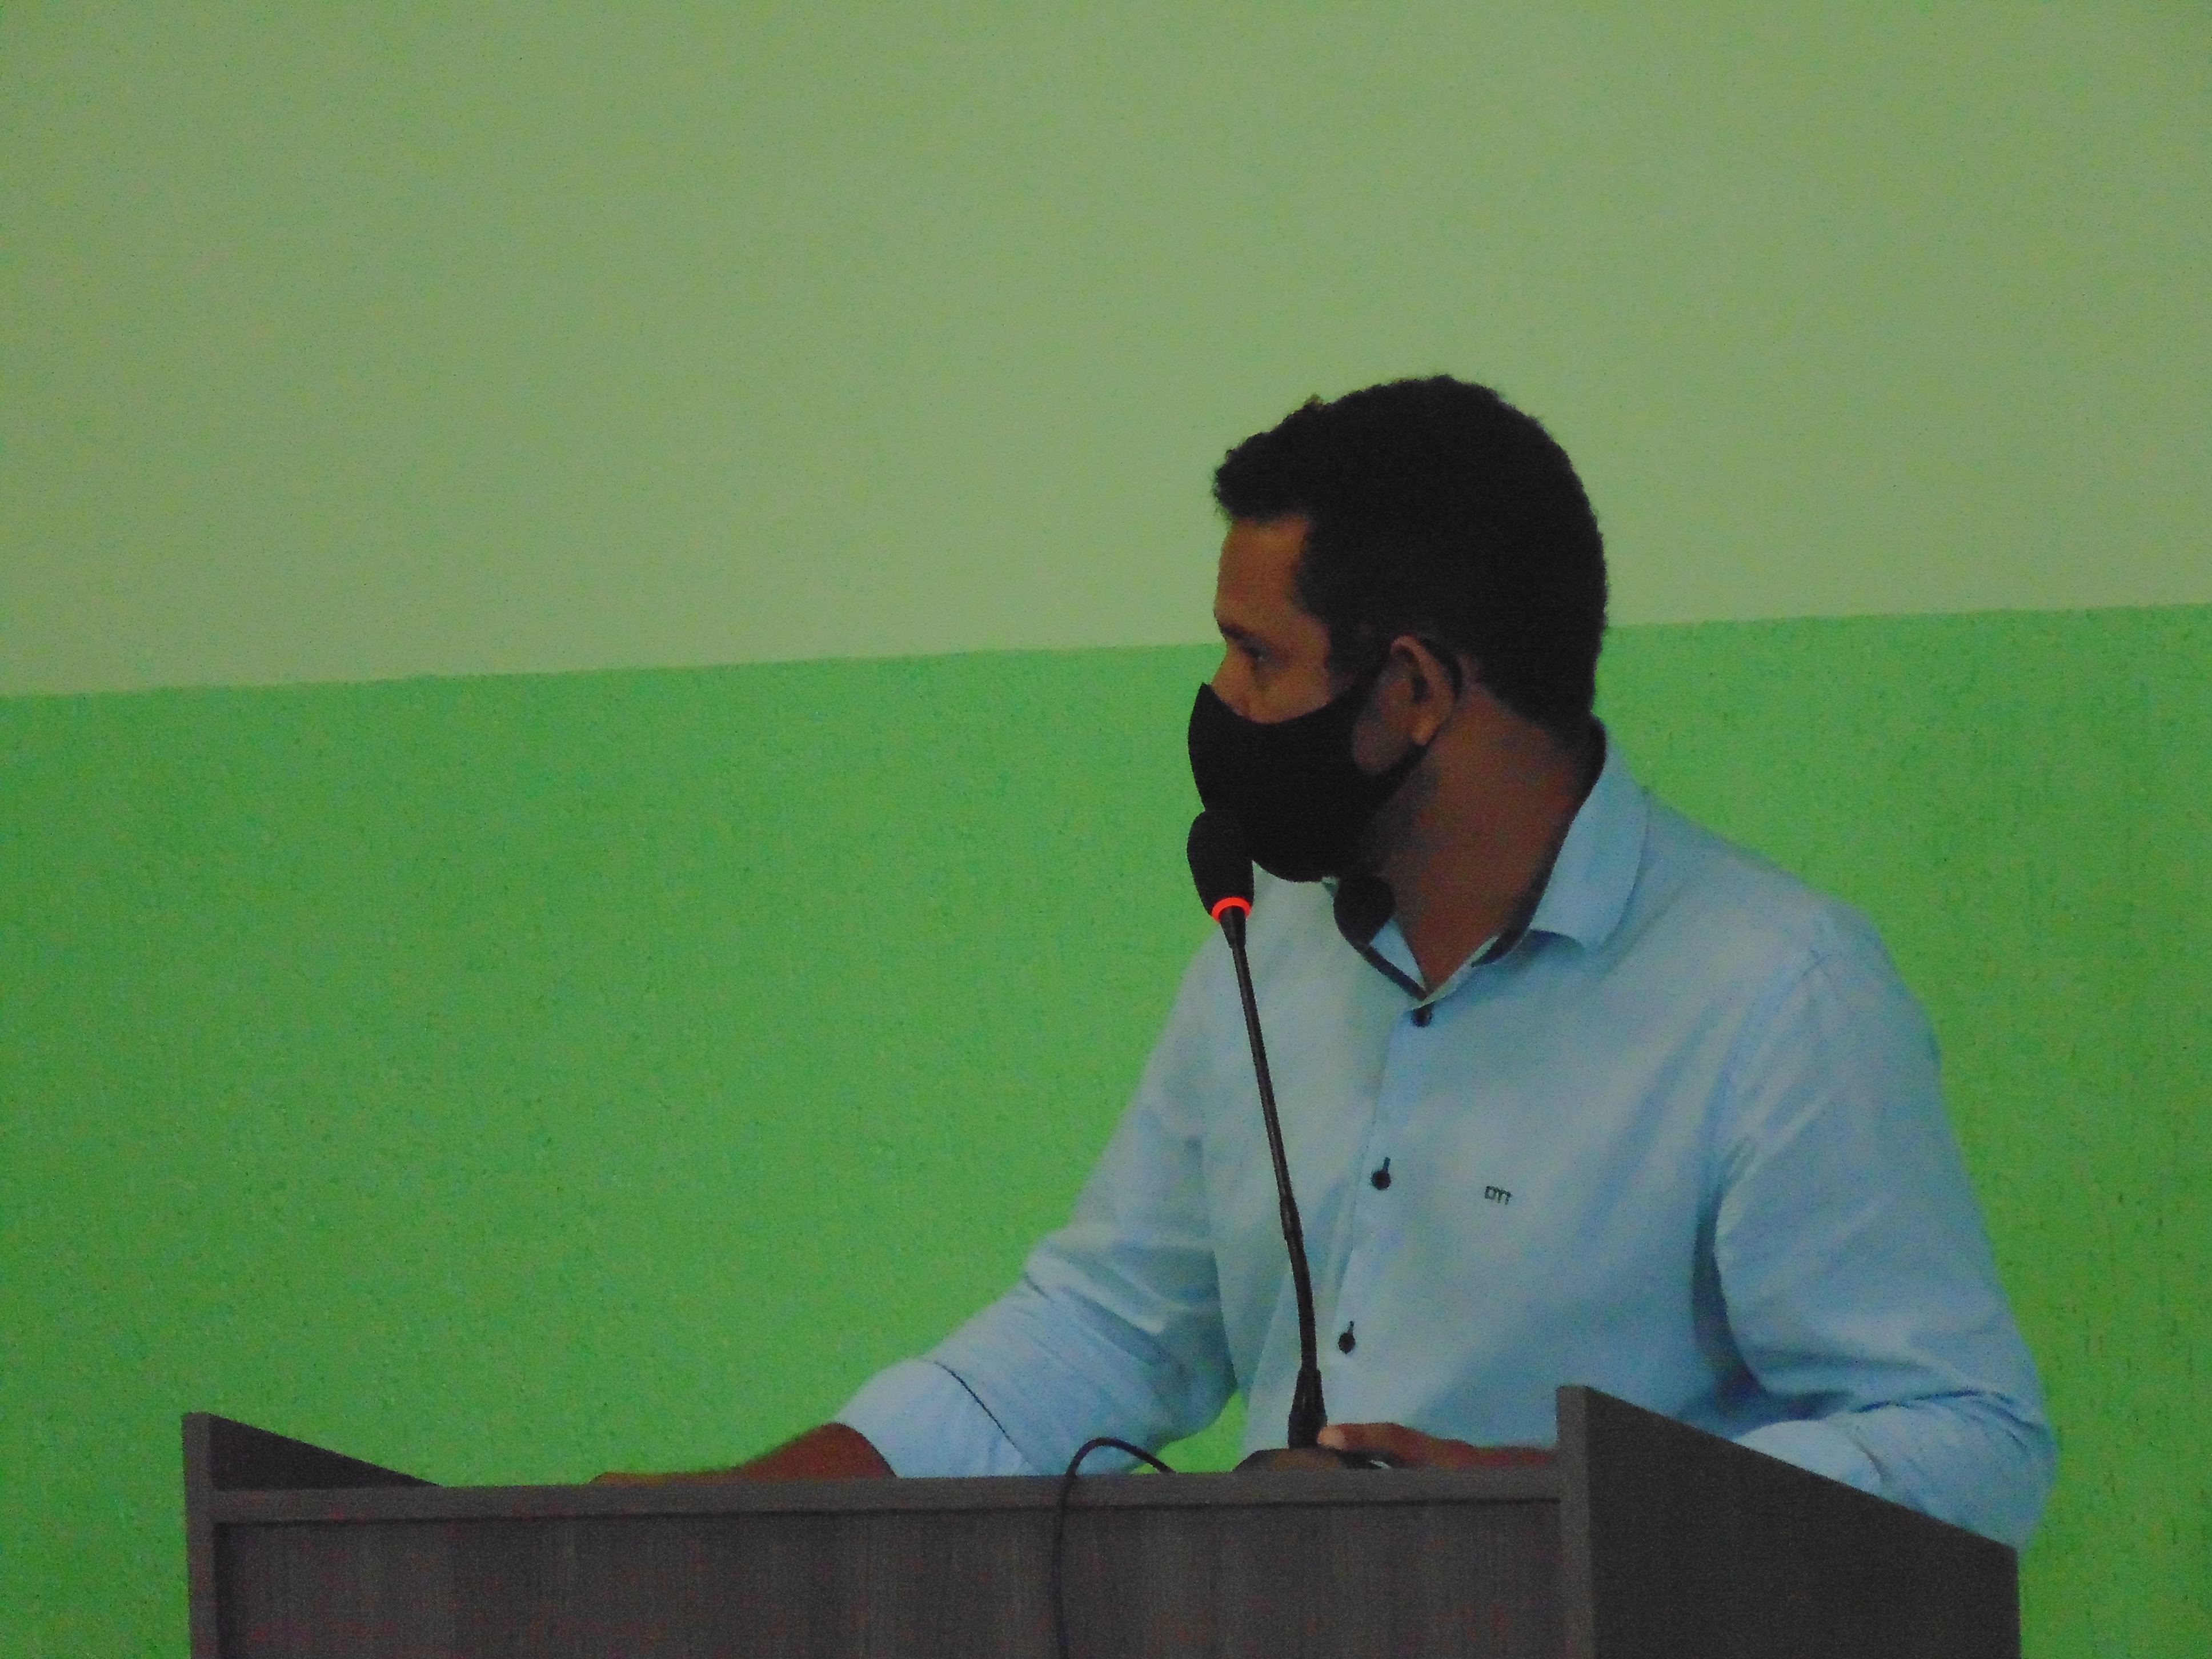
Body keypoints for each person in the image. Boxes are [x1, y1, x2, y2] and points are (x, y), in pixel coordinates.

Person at [605, 377, 2054, 1548]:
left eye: (1257, 658)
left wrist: (1565, 1502)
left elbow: (1972, 1445)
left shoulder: (1776, 994)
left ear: (1412, 689)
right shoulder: (1270, 956)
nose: (1221, 701)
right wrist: (741, 1517)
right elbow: (1103, 1336)